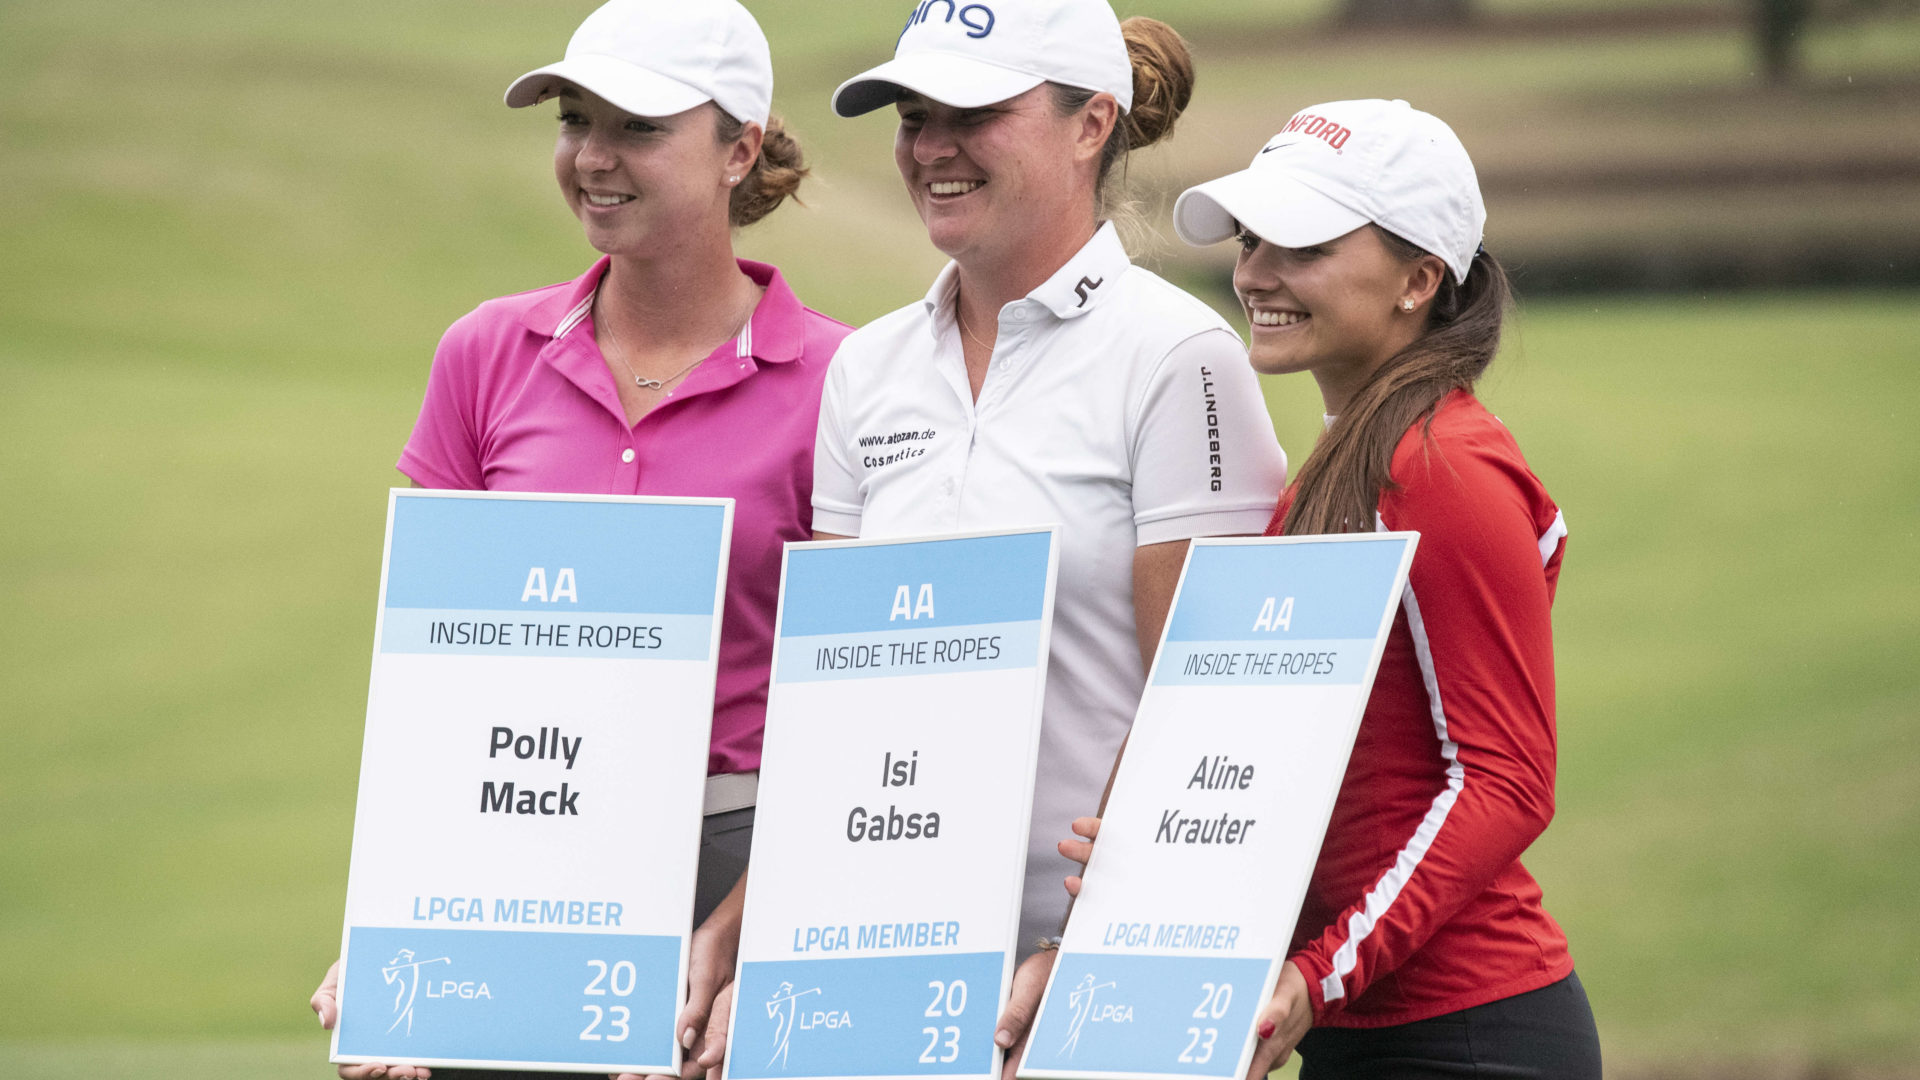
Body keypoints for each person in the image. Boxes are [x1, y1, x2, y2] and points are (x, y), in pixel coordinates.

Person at [304, 1, 852, 1078]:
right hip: (515, 845)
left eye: (639, 128)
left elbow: (852, 710)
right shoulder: (484, 352)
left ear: (740, 148)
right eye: (574, 120)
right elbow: (444, 689)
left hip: (737, 858)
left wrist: (747, 943)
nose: (593, 158)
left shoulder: (851, 384)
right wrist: (394, 923)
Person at [1059, 97, 1603, 1079]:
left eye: (1301, 246)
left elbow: (1504, 782)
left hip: (1463, 1036)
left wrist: (1319, 976)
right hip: (1372, 1031)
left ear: (1418, 279)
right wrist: (1172, 858)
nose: (1255, 272)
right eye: (1252, 239)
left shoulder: (1440, 466)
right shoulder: (1347, 459)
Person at [799, 0, 1289, 1073]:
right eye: (914, 114)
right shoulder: (864, 372)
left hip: (1100, 975)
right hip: (886, 960)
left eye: (973, 111)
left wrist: (1089, 948)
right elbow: (840, 712)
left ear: (1089, 123)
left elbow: (1209, 713)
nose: (932, 147)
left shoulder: (1177, 358)